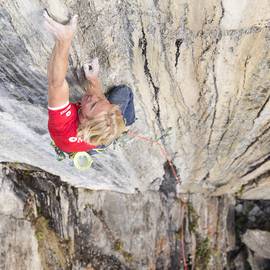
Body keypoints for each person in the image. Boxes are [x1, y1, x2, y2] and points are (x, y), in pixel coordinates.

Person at [44, 12, 135, 155]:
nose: (94, 97)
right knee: (121, 95)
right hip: (95, 139)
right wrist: (93, 79)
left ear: (84, 121)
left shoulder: (63, 125)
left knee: (124, 92)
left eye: (92, 105)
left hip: (84, 141)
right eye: (101, 100)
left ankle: (128, 122)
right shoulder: (96, 122)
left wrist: (64, 40)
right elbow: (97, 98)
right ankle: (121, 126)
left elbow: (56, 83)